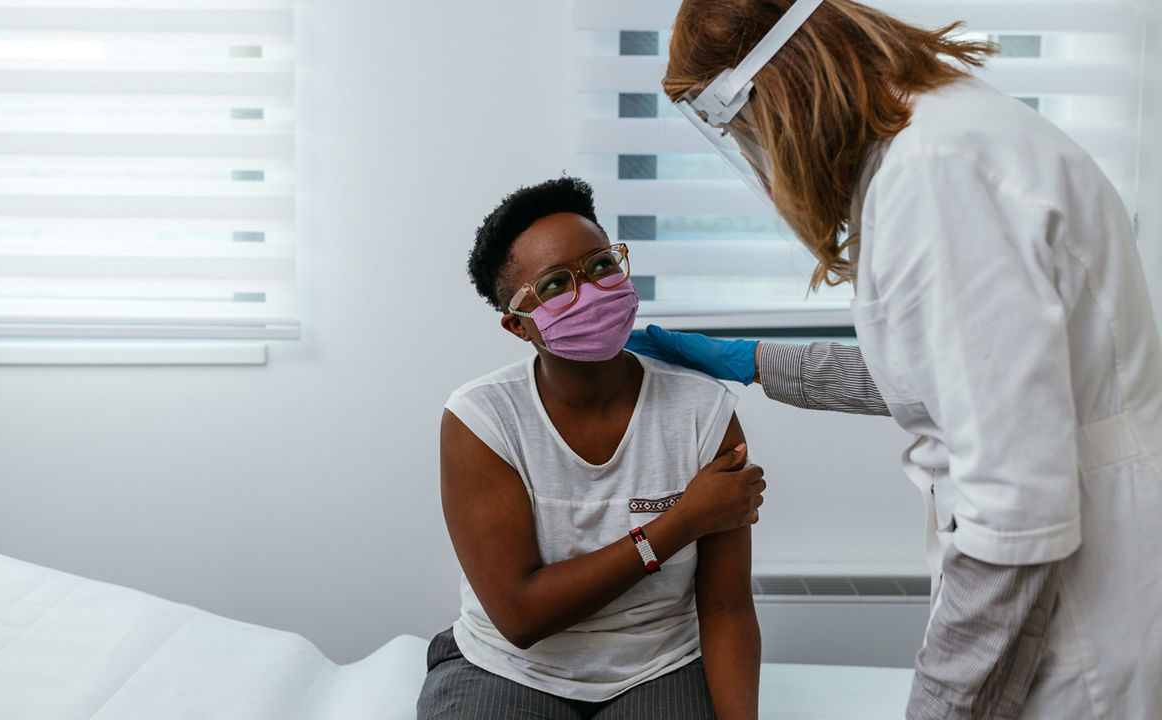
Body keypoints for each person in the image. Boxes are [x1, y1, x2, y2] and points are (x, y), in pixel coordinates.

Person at [626, 1, 1162, 718]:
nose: (761, 155)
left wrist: (938, 708)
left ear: (778, 91)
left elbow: (1015, 514)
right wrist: (755, 360)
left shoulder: (933, 176)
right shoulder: (949, 128)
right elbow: (960, 375)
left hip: (1086, 609)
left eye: (745, 130)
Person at [418, 177, 765, 720]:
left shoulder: (703, 410)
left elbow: (725, 606)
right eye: (556, 284)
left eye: (602, 265)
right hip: (508, 665)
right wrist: (681, 521)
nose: (592, 290)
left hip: (658, 665)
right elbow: (521, 616)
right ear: (518, 325)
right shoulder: (482, 419)